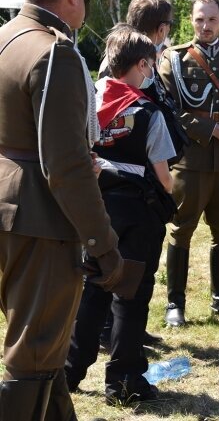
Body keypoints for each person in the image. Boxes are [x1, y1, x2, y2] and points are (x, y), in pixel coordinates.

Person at [0, 0, 128, 419]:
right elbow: (68, 167)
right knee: (32, 355)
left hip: (11, 209)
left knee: (43, 348)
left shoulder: (7, 37)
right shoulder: (56, 54)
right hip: (42, 221)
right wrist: (104, 246)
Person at [65, 25, 176, 405]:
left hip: (96, 210)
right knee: (130, 295)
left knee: (93, 287)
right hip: (139, 214)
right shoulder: (148, 113)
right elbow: (163, 176)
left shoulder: (90, 101)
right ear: (143, 64)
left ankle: (70, 369)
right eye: (151, 64)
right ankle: (124, 381)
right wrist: (173, 187)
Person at [158, 0, 219, 327]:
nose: (205, 25)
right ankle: (175, 304)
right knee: (181, 230)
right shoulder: (175, 58)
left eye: (212, 19)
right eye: (199, 19)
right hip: (191, 160)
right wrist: (212, 129)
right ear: (191, 20)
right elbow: (168, 109)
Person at [97, 0, 185, 348]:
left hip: (138, 172)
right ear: (161, 28)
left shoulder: (135, 56)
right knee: (125, 262)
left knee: (132, 266)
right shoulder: (129, 63)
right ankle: (112, 330)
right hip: (132, 180)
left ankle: (126, 328)